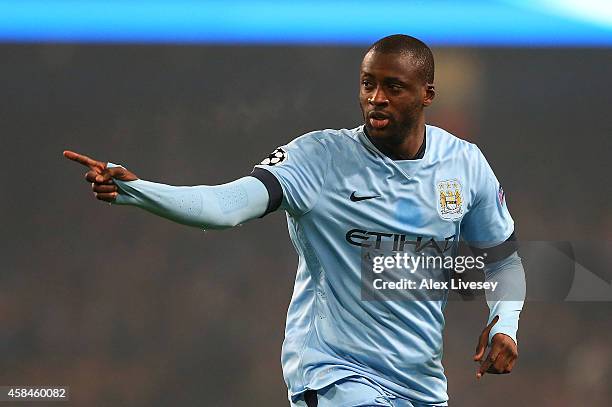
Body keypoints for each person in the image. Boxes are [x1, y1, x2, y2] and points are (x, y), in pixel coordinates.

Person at [64, 34, 525, 407]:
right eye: (368, 85)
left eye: (393, 87)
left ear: (428, 95)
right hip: (336, 376)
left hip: (421, 387)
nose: (376, 99)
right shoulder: (319, 158)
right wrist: (140, 191)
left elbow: (503, 260)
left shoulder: (464, 165)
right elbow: (226, 206)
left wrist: (505, 323)